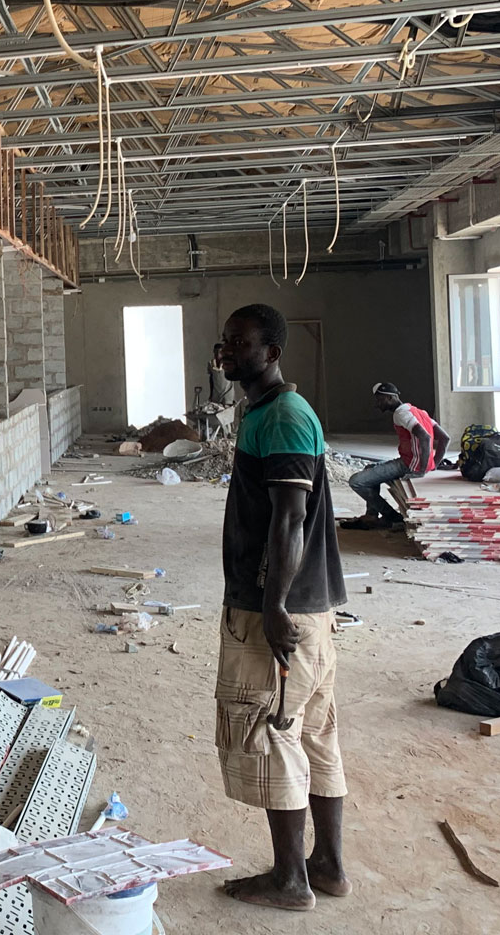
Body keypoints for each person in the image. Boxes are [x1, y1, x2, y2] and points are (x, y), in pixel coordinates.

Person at [212, 303, 350, 911]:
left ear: (271, 353)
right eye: (225, 341)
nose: (227, 351)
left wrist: (272, 607)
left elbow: (290, 520)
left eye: (240, 343)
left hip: (282, 613)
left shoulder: (285, 418)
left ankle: (291, 880)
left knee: (274, 732)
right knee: (313, 731)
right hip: (306, 610)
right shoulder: (266, 412)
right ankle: (328, 867)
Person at [341, 382, 448, 531]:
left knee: (357, 481)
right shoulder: (418, 411)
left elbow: (424, 437)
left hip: (408, 465)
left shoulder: (401, 414)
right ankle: (371, 516)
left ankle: (392, 517)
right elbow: (445, 438)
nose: (377, 404)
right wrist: (433, 464)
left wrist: (421, 470)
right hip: (411, 462)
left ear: (390, 398)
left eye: (380, 400)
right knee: (369, 468)